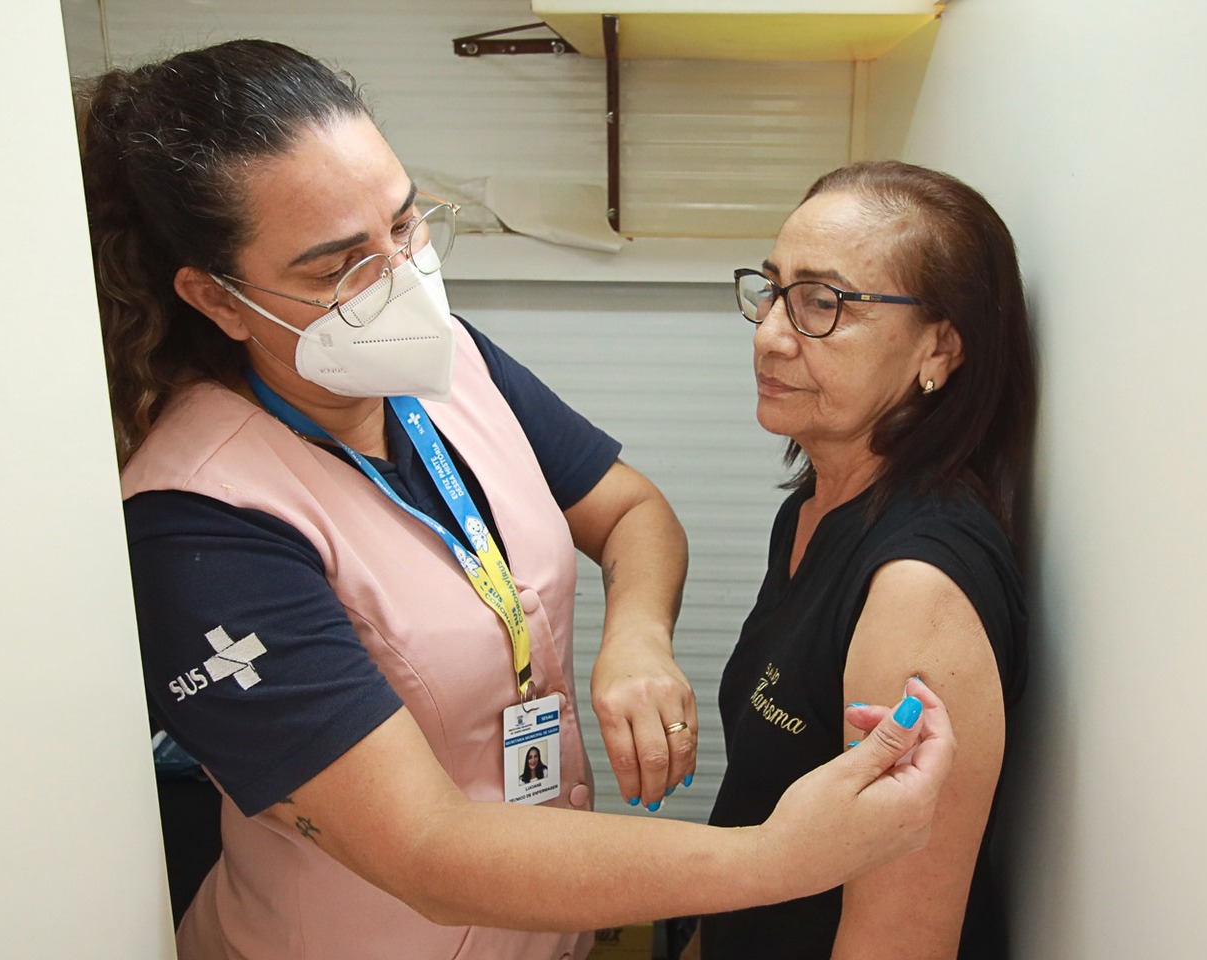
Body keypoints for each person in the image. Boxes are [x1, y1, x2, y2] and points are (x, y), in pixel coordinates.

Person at [76, 40, 959, 960]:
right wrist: (781, 857)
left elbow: (630, 512)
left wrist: (637, 640)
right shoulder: (198, 524)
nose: (400, 281)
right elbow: (427, 849)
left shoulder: (441, 363)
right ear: (216, 299)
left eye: (406, 223)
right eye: (337, 267)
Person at [700, 162, 1035, 959]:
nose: (771, 333)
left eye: (824, 303)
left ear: (940, 348)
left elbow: (898, 942)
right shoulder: (814, 508)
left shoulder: (916, 593)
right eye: (773, 290)